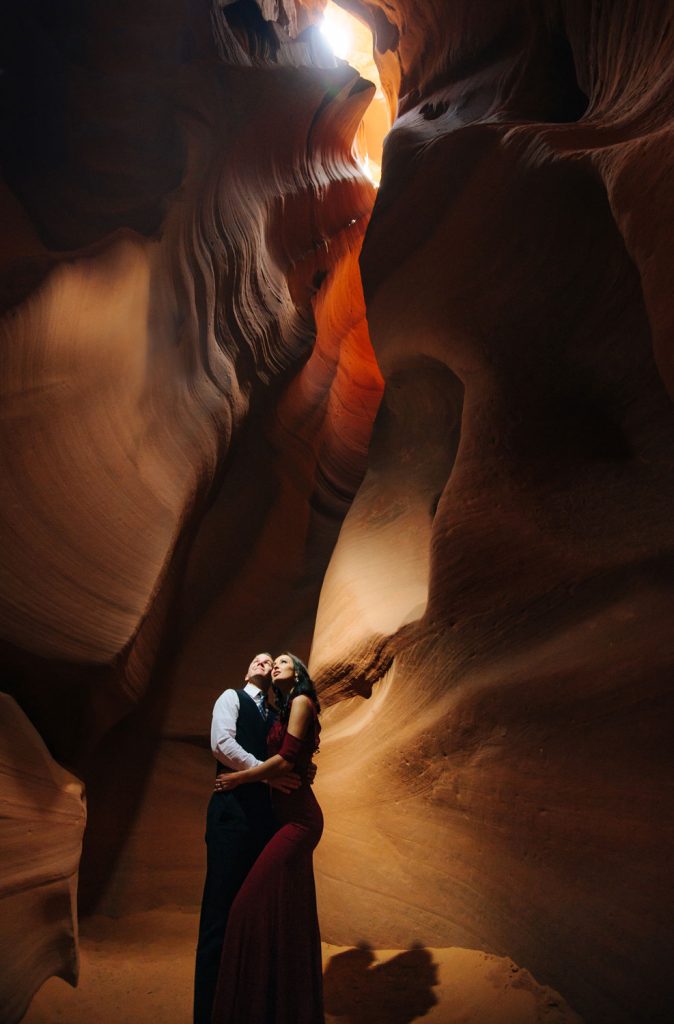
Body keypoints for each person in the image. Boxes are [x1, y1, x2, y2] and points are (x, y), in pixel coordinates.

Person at [211, 652, 324, 1024]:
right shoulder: (266, 705)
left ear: (299, 672)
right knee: (283, 911)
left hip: (298, 821)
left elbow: (288, 759)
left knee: (247, 908)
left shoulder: (300, 701)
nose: (273, 664)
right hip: (277, 818)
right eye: (265, 661)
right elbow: (229, 744)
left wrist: (240, 778)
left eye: (281, 661)